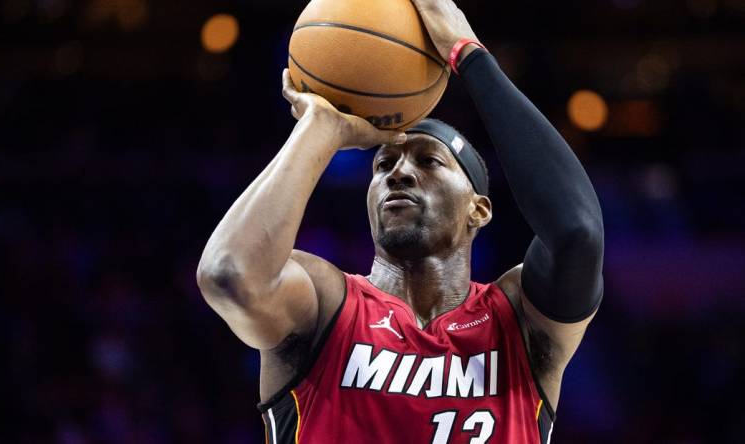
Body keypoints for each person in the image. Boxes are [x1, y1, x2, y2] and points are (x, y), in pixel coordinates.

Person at [197, 1, 604, 442]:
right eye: (383, 164)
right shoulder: (326, 306)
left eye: (429, 161)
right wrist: (320, 125)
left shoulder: (517, 322)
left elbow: (577, 235)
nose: (399, 172)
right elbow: (229, 273)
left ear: (479, 210)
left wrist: (469, 54)